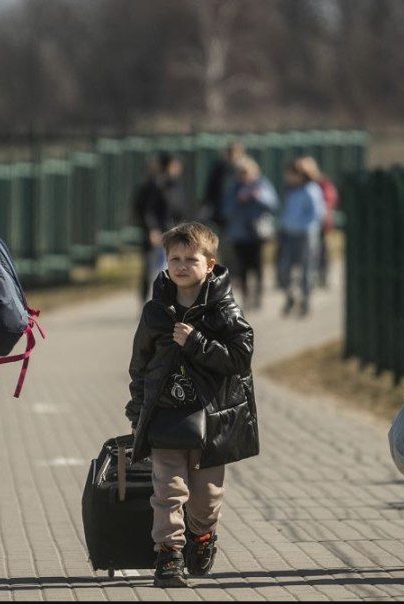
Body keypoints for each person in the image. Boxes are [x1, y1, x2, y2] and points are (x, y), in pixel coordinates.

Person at [125, 222, 259, 588]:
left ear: (210, 264)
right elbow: (140, 365)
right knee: (168, 490)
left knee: (206, 498)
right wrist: (137, 411)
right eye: (175, 259)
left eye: (191, 259)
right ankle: (169, 554)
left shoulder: (224, 310)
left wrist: (197, 342)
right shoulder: (155, 312)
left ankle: (202, 535)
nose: (182, 266)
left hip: (212, 418)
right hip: (165, 416)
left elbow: (240, 358)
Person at [224, 156, 278, 310]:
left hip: (257, 233)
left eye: (247, 173)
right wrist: (239, 199)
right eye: (241, 173)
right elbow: (226, 209)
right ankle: (246, 296)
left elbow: (273, 204)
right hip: (239, 234)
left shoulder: (262, 184)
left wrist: (258, 196)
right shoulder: (233, 188)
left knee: (258, 266)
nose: (245, 177)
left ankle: (258, 296)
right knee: (242, 268)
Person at [134, 153, 188, 301]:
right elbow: (148, 211)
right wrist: (153, 229)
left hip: (173, 233)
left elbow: (180, 211)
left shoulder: (177, 186)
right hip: (158, 235)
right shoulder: (156, 186)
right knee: (154, 270)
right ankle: (149, 302)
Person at [276, 159, 326, 317]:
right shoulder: (289, 190)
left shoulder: (311, 190)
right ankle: (290, 296)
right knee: (284, 268)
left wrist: (302, 225)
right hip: (288, 233)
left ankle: (305, 301)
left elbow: (318, 213)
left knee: (306, 269)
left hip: (305, 234)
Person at [297, 156, 339, 288]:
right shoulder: (297, 185)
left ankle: (322, 275)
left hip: (321, 223)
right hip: (304, 225)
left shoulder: (322, 183)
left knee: (322, 251)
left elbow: (330, 199)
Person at [199, 140, 245, 229]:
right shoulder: (219, 169)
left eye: (235, 152)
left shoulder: (246, 169)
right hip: (220, 212)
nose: (233, 155)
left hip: (239, 214)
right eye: (230, 152)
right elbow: (210, 190)